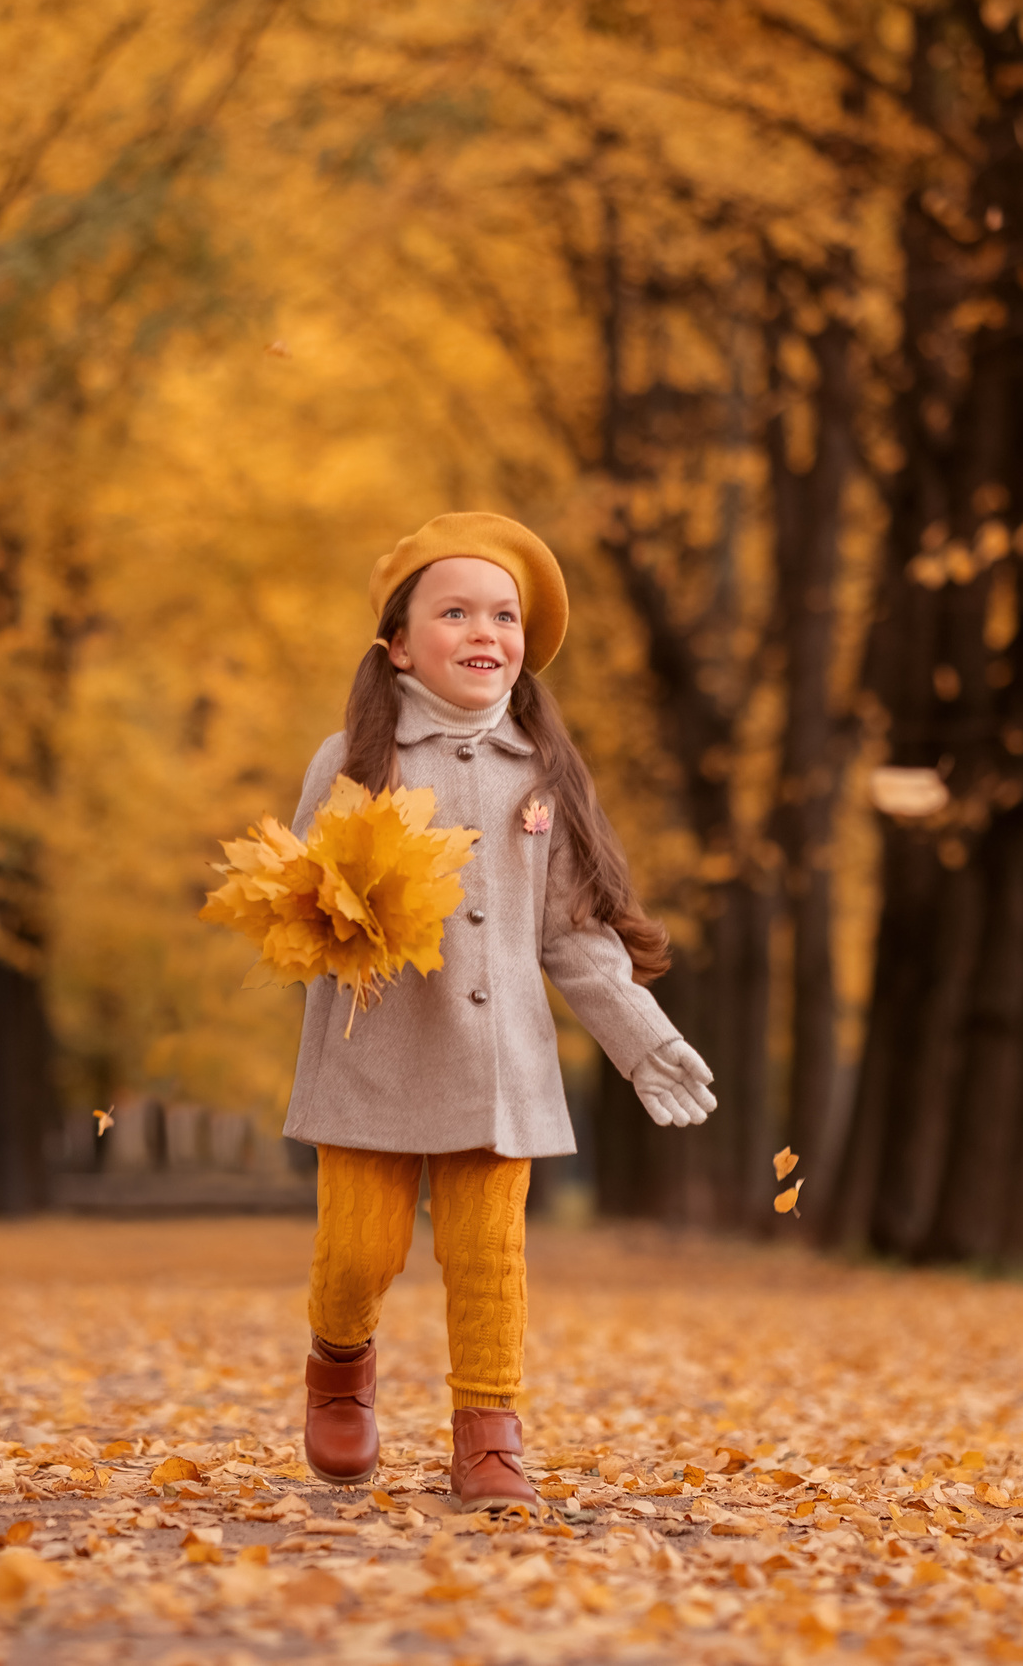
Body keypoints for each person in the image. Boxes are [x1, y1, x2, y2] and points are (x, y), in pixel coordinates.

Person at [282, 511, 718, 1512]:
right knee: (360, 1251)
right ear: (398, 643)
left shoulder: (541, 771)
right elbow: (298, 901)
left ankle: (489, 1434)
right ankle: (338, 1362)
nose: (487, 631)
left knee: (489, 1258)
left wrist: (643, 1042)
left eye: (504, 615)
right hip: (373, 1053)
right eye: (456, 611)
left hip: (498, 1061)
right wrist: (333, 909)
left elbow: (570, 933)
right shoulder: (352, 758)